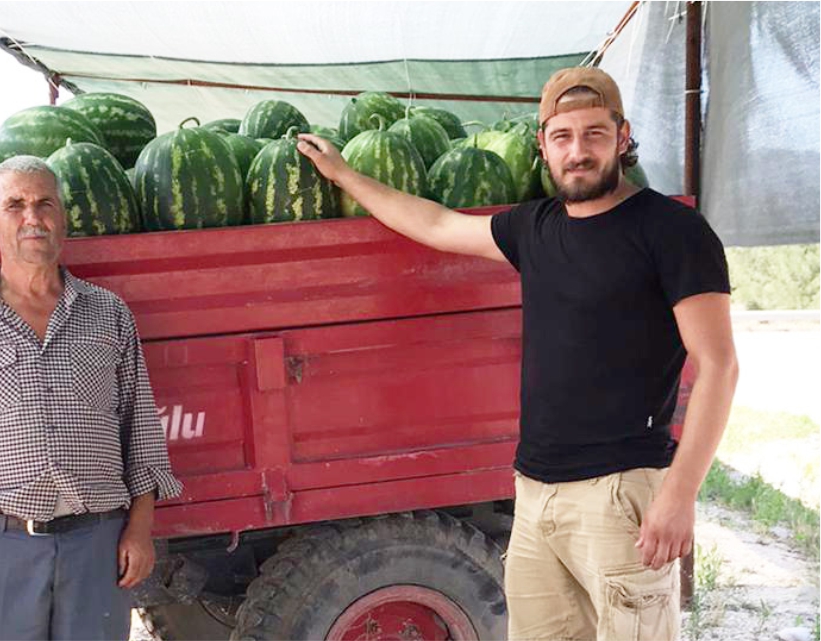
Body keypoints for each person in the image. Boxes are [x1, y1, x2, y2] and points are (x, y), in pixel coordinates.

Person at [298, 67, 738, 641]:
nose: (577, 151)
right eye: (562, 137)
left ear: (623, 136)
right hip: (535, 495)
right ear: (543, 145)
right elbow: (436, 223)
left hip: (622, 495)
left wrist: (679, 495)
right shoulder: (535, 229)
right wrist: (344, 174)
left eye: (593, 134)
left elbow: (720, 366)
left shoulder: (673, 230)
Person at [0, 155, 183, 641]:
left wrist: (140, 528)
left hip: (98, 544)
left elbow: (140, 426)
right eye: (15, 205)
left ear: (63, 220)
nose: (32, 216)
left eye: (44, 203)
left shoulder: (108, 312)